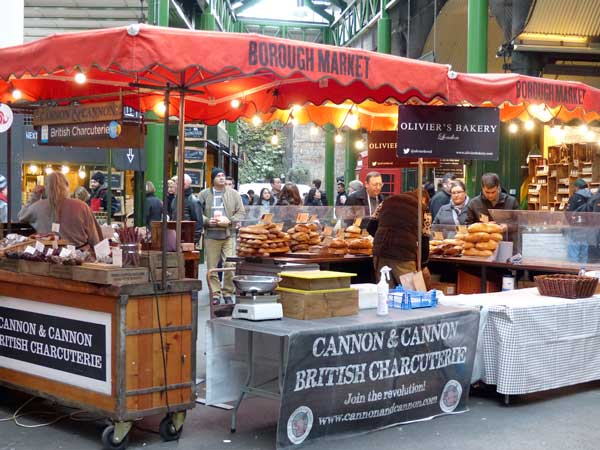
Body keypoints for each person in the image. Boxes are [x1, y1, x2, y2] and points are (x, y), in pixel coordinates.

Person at [198, 167, 245, 305]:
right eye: (218, 176)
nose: (221, 178)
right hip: (211, 235)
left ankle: (228, 292)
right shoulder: (204, 194)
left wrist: (230, 221)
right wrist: (207, 220)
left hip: (228, 235)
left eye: (223, 175)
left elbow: (241, 212)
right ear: (213, 179)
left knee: (230, 264)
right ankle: (215, 294)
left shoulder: (234, 194)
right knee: (212, 267)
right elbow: (197, 211)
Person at [18, 172, 102, 250]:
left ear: (46, 188)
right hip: (79, 257)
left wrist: (35, 196)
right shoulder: (81, 206)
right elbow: (95, 237)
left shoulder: (37, 207)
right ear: (67, 185)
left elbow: (21, 216)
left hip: (47, 257)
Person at [367, 192, 420, 287]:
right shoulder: (422, 208)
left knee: (385, 291)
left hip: (381, 252)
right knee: (412, 293)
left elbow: (370, 227)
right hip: (404, 255)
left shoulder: (385, 202)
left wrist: (382, 238)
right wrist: (422, 263)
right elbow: (424, 238)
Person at [170, 174, 204, 244]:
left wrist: (193, 242)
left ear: (183, 184)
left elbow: (198, 224)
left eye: (176, 183)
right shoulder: (175, 199)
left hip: (187, 240)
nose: (174, 186)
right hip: (175, 238)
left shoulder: (193, 201)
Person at [566, 178, 592, 264]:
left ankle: (573, 274)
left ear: (577, 187)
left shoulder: (574, 197)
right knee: (584, 253)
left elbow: (568, 213)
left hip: (576, 228)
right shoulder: (592, 197)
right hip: (587, 229)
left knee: (573, 253)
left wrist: (570, 223)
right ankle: (583, 274)